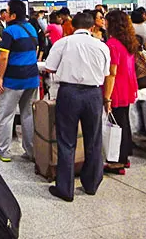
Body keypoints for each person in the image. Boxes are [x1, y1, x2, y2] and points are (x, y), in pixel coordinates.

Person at [44, 13, 111, 202]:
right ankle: (91, 185)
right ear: (92, 27)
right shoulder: (101, 46)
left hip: (69, 93)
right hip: (93, 95)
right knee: (93, 140)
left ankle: (65, 189)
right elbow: (105, 73)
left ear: (72, 26)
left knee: (66, 141)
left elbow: (49, 67)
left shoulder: (64, 43)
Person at [0, 0, 39, 162]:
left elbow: (4, 57)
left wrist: (0, 78)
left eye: (6, 11)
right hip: (32, 78)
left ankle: (4, 151)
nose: (4, 14)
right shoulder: (31, 28)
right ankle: (31, 151)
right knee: (28, 115)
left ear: (13, 15)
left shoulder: (10, 31)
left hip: (14, 79)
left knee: (6, 114)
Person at [103, 10, 139, 175]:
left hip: (117, 87)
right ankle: (125, 157)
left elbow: (112, 72)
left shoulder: (112, 43)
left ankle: (117, 162)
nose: (104, 23)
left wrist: (107, 97)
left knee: (116, 124)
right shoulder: (130, 41)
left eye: (107, 21)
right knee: (124, 121)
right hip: (129, 85)